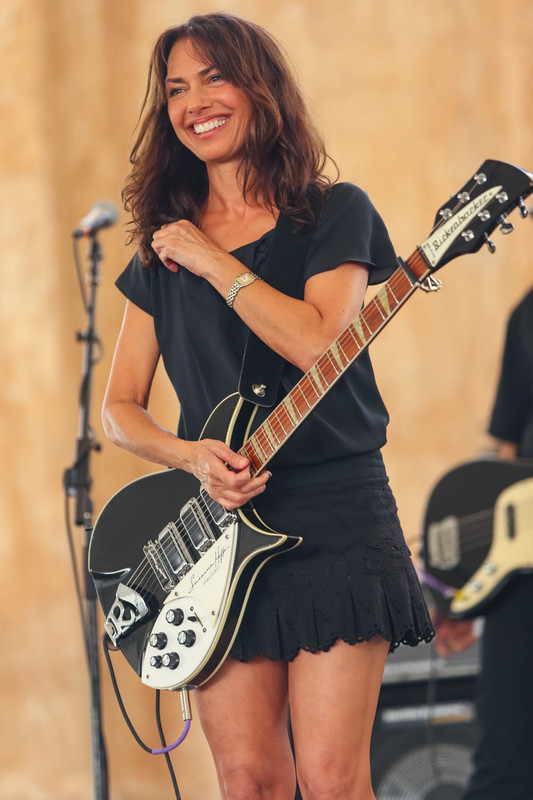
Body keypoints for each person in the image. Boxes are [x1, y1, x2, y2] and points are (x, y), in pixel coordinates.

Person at [102, 13, 434, 800]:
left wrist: (212, 259)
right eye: (175, 89)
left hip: (334, 514)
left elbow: (318, 342)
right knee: (247, 778)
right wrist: (191, 456)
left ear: (260, 88)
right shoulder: (161, 249)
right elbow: (119, 408)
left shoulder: (332, 213)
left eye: (214, 78)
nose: (194, 103)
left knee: (329, 779)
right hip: (218, 529)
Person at [429, 284, 533, 800]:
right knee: (504, 763)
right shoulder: (529, 311)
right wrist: (471, 586)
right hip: (524, 581)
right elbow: (508, 452)